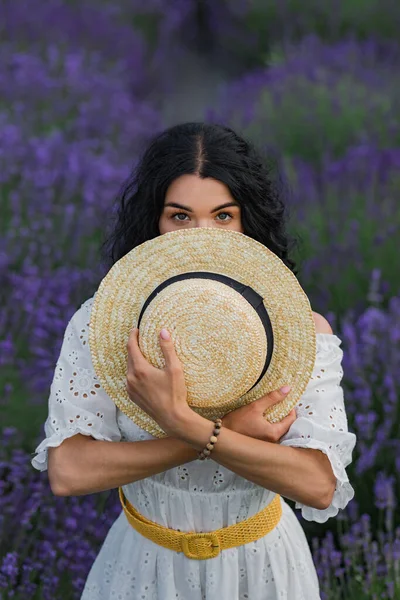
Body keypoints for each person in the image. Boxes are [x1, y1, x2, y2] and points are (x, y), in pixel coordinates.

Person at [31, 122, 357, 600]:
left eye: (223, 216)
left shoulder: (300, 334)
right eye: (180, 217)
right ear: (154, 223)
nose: (203, 236)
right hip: (144, 566)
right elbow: (69, 472)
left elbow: (318, 485)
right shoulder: (102, 326)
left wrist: (191, 427)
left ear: (249, 222)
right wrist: (220, 433)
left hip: (262, 567)